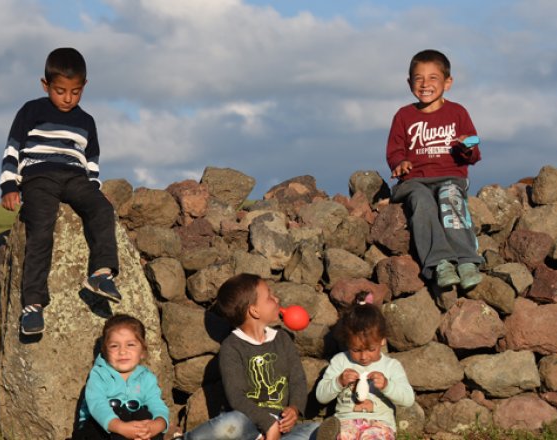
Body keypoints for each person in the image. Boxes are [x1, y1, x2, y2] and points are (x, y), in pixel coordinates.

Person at [0, 47, 121, 335]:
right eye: (60, 90)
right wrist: (8, 185)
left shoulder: (86, 121)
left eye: (75, 92)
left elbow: (91, 159)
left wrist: (94, 188)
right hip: (38, 176)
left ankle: (101, 273)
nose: (67, 98)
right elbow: (12, 148)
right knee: (41, 228)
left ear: (84, 87)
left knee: (103, 209)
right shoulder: (31, 110)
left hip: (75, 177)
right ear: (45, 85)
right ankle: (33, 305)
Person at [385, 49, 484, 290]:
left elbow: (474, 152)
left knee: (449, 197)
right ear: (409, 83)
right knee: (422, 202)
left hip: (450, 177)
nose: (425, 84)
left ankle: (467, 262)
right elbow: (394, 150)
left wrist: (465, 147)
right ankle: (440, 263)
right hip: (414, 182)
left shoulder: (457, 112)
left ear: (447, 83)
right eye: (419, 78)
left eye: (433, 78)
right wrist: (399, 163)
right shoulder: (404, 115)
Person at [184, 273, 319, 440]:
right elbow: (237, 398)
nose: (276, 299)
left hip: (283, 428)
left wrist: (294, 409)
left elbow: (297, 379)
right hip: (248, 425)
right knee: (230, 423)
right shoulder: (231, 347)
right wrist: (267, 424)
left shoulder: (282, 339)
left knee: (315, 430)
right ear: (254, 311)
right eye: (269, 296)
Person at [314, 295, 415, 440]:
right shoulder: (340, 362)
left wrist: (387, 386)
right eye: (356, 350)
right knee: (342, 435)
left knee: (373, 437)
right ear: (347, 342)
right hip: (345, 421)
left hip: (380, 424)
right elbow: (321, 396)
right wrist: (338, 382)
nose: (363, 356)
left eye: (370, 349)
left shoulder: (391, 366)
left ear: (382, 341)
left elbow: (408, 399)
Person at [77, 314, 170, 440]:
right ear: (105, 351)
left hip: (132, 429)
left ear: (142, 351)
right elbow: (97, 405)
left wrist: (158, 424)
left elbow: (156, 403)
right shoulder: (98, 375)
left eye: (130, 345)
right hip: (98, 428)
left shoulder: (147, 377)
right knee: (118, 413)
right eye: (114, 346)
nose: (122, 351)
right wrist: (121, 428)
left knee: (144, 415)